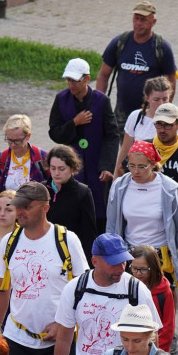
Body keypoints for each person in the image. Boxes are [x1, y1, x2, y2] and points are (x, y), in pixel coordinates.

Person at [0, 182, 89, 355]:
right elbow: (1, 290)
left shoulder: (67, 240)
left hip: (57, 345)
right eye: (18, 206)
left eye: (27, 206)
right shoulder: (9, 243)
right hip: (16, 340)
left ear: (45, 208)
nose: (20, 211)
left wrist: (63, 324)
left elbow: (84, 290)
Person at [105, 140, 178, 284]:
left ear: (153, 164)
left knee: (162, 301)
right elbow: (111, 226)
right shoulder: (119, 186)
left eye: (141, 166)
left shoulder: (170, 189)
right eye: (131, 166)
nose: (135, 171)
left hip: (161, 258)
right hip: (130, 257)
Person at [50, 58, 120, 230]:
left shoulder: (101, 101)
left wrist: (107, 166)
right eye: (69, 80)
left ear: (87, 79)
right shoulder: (61, 99)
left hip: (96, 167)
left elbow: (112, 135)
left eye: (75, 81)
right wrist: (74, 122)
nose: (71, 85)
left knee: (98, 211)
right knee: (73, 210)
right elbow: (55, 132)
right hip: (72, 169)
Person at [97, 1, 178, 131]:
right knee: (126, 149)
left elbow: (171, 80)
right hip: (123, 113)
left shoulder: (162, 47)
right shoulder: (120, 42)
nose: (138, 23)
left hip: (150, 114)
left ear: (153, 21)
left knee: (149, 149)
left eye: (143, 20)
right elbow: (103, 75)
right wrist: (99, 104)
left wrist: (164, 108)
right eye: (136, 19)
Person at [115, 76, 178, 173]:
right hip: (139, 174)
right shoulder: (135, 117)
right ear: (147, 98)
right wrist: (116, 179)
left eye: (165, 99)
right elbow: (125, 150)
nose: (161, 103)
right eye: (156, 99)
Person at [0, 115, 50, 219]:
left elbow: (53, 189)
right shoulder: (1, 158)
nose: (12, 145)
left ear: (28, 136)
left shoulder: (42, 157)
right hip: (7, 218)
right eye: (9, 139)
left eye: (17, 141)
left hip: (32, 219)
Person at [127, 245, 176, 349]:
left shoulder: (164, 292)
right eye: (134, 269)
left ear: (153, 268)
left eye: (143, 270)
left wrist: (156, 354)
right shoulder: (126, 286)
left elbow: (167, 328)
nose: (138, 274)